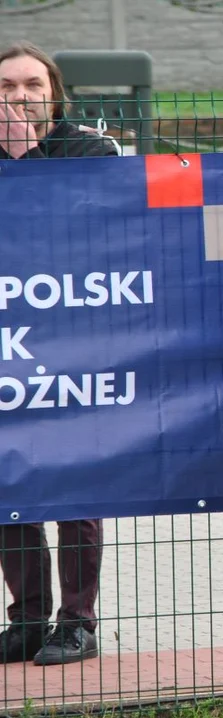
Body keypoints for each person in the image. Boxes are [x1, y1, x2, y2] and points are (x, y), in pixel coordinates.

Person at [0, 41, 116, 666]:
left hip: (76, 344)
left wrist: (29, 158)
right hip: (7, 346)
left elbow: (96, 236)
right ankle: (27, 617)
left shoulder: (90, 152)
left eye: (31, 86)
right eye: (7, 88)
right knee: (7, 476)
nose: (19, 97)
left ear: (54, 92)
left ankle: (77, 621)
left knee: (76, 481)